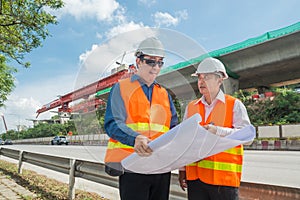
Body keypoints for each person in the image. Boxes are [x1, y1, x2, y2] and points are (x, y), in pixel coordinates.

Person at [104, 37, 178, 200]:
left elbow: (173, 128)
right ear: (138, 61)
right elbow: (112, 123)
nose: (156, 67)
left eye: (160, 62)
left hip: (160, 168)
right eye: (151, 62)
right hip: (133, 166)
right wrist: (135, 138)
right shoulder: (121, 88)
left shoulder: (164, 94)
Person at [178, 57, 252, 200]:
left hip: (223, 180)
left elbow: (247, 137)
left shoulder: (234, 105)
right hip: (196, 179)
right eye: (199, 77)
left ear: (220, 80)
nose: (201, 81)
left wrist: (218, 131)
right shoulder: (191, 107)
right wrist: (182, 169)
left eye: (207, 77)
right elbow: (184, 140)